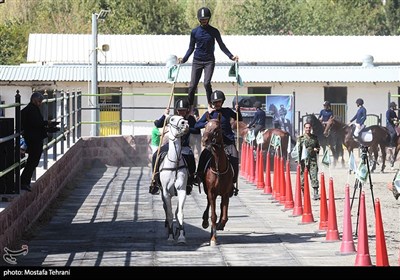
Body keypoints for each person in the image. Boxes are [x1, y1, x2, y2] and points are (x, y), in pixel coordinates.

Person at [178, 7, 238, 111]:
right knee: (192, 86)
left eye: (205, 19)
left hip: (209, 61)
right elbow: (191, 48)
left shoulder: (214, 31)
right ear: (198, 19)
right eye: (201, 19)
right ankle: (190, 107)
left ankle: (210, 104)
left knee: (206, 83)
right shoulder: (194, 32)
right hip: (197, 60)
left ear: (209, 19)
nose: (203, 21)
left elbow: (222, 46)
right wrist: (184, 59)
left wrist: (231, 56)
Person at [194, 90, 243, 195]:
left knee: (235, 158)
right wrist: (208, 123)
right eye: (215, 102)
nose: (217, 104)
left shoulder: (228, 111)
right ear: (212, 103)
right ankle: (199, 175)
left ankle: (232, 181)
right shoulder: (209, 114)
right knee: (203, 155)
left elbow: (239, 118)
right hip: (213, 144)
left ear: (222, 102)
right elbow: (197, 125)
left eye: (219, 102)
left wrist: (238, 111)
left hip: (228, 142)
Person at [149, 98, 200, 195]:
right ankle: (155, 179)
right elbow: (158, 124)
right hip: (171, 144)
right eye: (180, 110)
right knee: (156, 155)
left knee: (191, 157)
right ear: (177, 110)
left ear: (187, 110)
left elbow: (196, 130)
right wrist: (165, 115)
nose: (181, 112)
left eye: (183, 110)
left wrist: (189, 129)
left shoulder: (190, 119)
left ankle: (190, 180)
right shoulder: (172, 118)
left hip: (184, 146)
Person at [20, 92, 58, 192]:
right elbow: (36, 124)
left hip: (34, 138)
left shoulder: (33, 109)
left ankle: (25, 181)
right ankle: (24, 182)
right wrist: (47, 125)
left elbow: (37, 124)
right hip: (33, 139)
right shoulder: (31, 110)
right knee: (32, 161)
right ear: (34, 100)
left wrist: (48, 125)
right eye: (39, 101)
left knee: (33, 161)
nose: (40, 103)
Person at [297, 122, 321, 200]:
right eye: (306, 128)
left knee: (314, 176)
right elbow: (298, 150)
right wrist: (298, 160)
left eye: (309, 128)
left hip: (312, 160)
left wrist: (316, 149)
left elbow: (318, 147)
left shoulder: (315, 138)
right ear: (304, 128)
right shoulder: (300, 138)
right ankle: (304, 193)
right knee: (303, 178)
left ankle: (315, 193)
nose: (308, 129)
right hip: (303, 161)